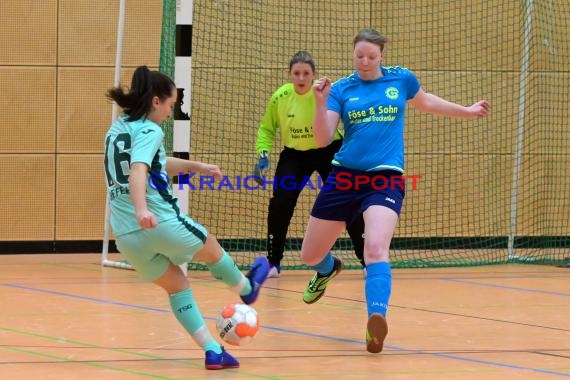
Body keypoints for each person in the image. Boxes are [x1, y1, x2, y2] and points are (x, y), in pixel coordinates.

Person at [299, 28, 490, 353]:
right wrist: (318, 103)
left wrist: (467, 110)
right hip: (344, 178)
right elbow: (321, 138)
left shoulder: (401, 80)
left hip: (385, 178)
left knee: (375, 249)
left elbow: (427, 102)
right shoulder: (342, 89)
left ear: (381, 56)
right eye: (359, 55)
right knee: (310, 255)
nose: (364, 61)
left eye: (371, 57)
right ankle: (328, 268)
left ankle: (376, 319)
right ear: (353, 54)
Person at [104, 66, 270, 370]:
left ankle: (212, 351)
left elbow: (155, 162)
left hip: (126, 237)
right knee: (211, 247)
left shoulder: (116, 130)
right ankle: (247, 290)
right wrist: (143, 208)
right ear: (156, 101)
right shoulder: (150, 129)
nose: (171, 111)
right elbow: (139, 169)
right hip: (159, 221)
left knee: (177, 286)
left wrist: (196, 166)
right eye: (170, 104)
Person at [253, 50, 366, 278]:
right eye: (297, 73)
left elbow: (346, 119)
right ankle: (274, 262)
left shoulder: (324, 94)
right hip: (294, 155)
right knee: (280, 203)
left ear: (314, 75)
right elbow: (266, 128)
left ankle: (366, 260)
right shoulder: (280, 97)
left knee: (349, 202)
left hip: (330, 151)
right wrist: (262, 153)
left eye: (306, 73)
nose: (302, 78)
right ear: (289, 74)